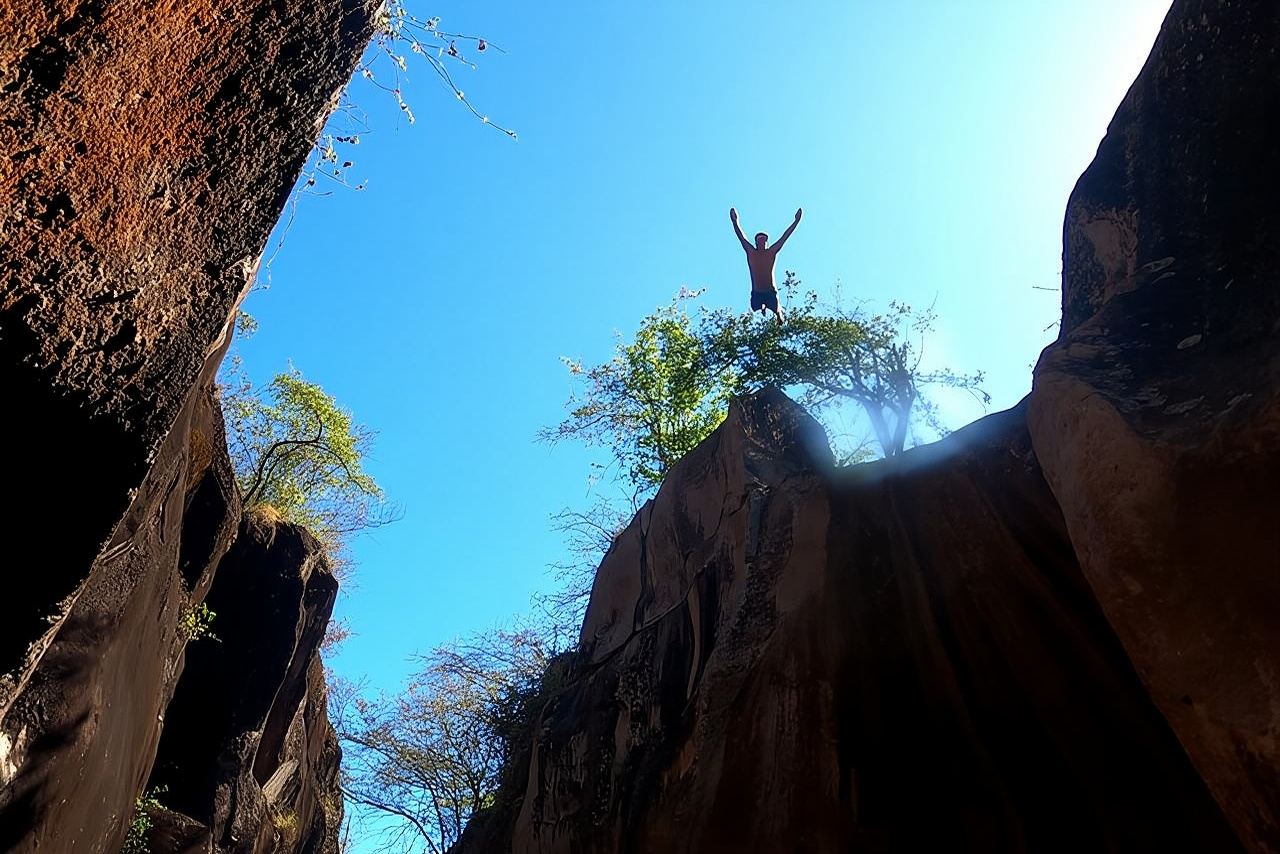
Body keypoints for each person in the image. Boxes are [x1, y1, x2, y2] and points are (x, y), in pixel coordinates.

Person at [730, 207, 802, 323]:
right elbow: (741, 237)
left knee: (776, 309)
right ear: (756, 243)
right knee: (755, 308)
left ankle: (778, 313)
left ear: (767, 243)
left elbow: (784, 237)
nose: (762, 242)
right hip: (757, 291)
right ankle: (763, 307)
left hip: (770, 291)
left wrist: (796, 221)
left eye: (764, 240)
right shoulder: (751, 252)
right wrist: (735, 221)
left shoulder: (771, 252)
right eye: (760, 240)